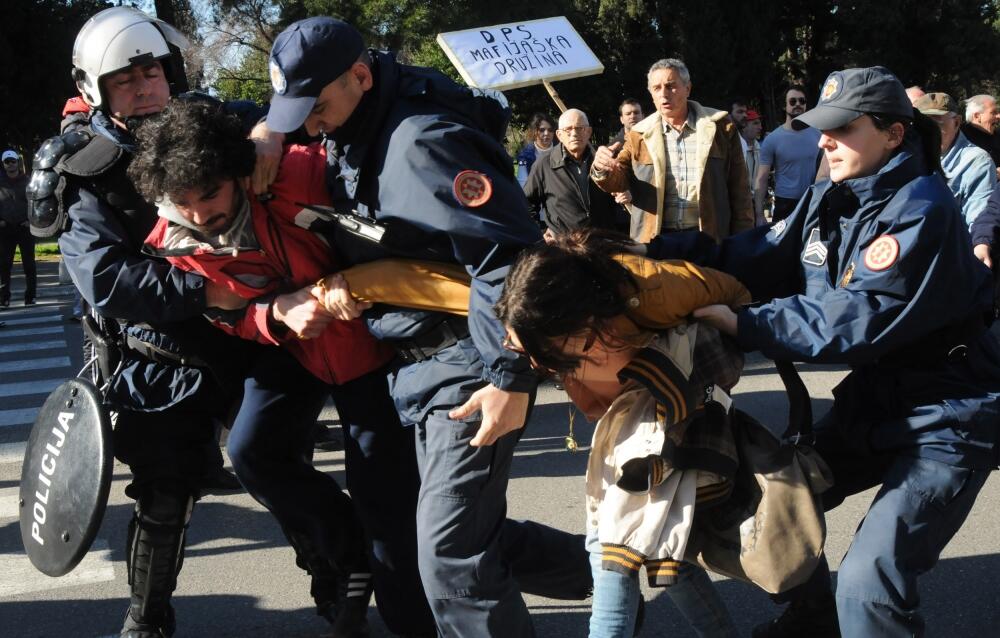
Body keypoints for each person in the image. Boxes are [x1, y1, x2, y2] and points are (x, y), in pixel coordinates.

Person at [642, 66, 1000, 638]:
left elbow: (856, 317)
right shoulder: (830, 198)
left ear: (894, 135)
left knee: (870, 582)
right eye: (821, 128)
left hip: (947, 418)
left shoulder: (922, 208)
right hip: (878, 401)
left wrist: (744, 322)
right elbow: (752, 254)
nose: (825, 140)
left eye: (843, 128)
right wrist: (648, 256)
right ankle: (813, 620)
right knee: (775, 507)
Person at [261, 16, 591, 636]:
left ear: (360, 76)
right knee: (455, 537)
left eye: (316, 107)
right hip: (417, 370)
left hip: (469, 367)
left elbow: (511, 260)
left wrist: (509, 379)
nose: (308, 125)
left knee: (451, 560)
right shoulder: (359, 119)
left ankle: (612, 581)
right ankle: (610, 578)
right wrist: (266, 136)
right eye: (296, 111)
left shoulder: (419, 142)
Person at [26, 8, 289, 637]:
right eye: (126, 79)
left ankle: (341, 588)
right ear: (97, 88)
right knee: (165, 492)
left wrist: (270, 130)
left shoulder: (216, 122)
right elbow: (106, 279)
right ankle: (147, 616)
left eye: (152, 72)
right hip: (158, 353)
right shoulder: (86, 168)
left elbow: (287, 107)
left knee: (283, 468)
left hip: (259, 338)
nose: (144, 87)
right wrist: (206, 293)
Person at [132, 99, 436, 636]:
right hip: (291, 351)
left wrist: (351, 279)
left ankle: (422, 609)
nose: (201, 214)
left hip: (371, 340)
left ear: (235, 171)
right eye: (183, 200)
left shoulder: (289, 172)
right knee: (251, 451)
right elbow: (223, 314)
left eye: (211, 193)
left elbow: (381, 209)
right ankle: (349, 553)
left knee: (388, 507)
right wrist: (270, 316)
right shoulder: (173, 243)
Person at [497, 229, 751, 638]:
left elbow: (737, 293)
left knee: (613, 540)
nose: (537, 364)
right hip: (626, 409)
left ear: (582, 320)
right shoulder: (544, 326)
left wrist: (720, 326)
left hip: (676, 395)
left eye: (541, 350)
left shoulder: (655, 290)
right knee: (663, 541)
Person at [591, 58, 754, 242]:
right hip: (656, 241)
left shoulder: (720, 127)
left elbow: (740, 192)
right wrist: (602, 168)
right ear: (650, 93)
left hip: (709, 239)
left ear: (688, 88)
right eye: (657, 88)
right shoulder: (639, 134)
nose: (663, 94)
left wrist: (743, 241)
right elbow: (618, 183)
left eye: (670, 86)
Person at [524, 108, 625, 235]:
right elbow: (525, 204)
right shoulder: (544, 165)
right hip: (565, 248)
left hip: (605, 243)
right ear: (559, 135)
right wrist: (540, 232)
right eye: (568, 129)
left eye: (579, 128)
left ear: (588, 132)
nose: (574, 133)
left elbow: (621, 194)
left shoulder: (603, 159)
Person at [914, 92, 996, 228]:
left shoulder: (977, 162)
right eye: (919, 126)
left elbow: (978, 225)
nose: (926, 133)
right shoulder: (908, 155)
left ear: (956, 122)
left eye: (934, 124)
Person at [754, 86, 822, 222]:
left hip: (812, 200)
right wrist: (759, 214)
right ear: (784, 106)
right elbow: (761, 178)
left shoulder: (818, 135)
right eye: (792, 101)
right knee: (783, 244)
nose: (798, 104)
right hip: (784, 204)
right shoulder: (773, 139)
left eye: (802, 101)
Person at [0, 149, 34, 306]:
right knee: (5, 265)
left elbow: (35, 203)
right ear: (3, 164)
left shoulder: (27, 180)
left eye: (12, 161)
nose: (10, 165)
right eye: (7, 162)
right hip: (5, 228)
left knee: (29, 264)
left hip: (24, 227)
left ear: (17, 163)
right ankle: (4, 297)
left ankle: (30, 297)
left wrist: (31, 220)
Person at [516, 111, 557, 186]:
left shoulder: (562, 152)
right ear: (535, 132)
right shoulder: (525, 156)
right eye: (542, 130)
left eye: (550, 130)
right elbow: (522, 184)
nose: (546, 133)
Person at [961, 94, 1000, 172]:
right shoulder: (961, 139)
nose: (998, 116)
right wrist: (994, 173)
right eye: (993, 113)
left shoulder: (996, 135)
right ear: (977, 116)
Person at [741, 110, 763, 223]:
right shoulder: (735, 148)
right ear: (744, 126)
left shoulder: (759, 147)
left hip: (756, 203)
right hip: (740, 204)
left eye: (759, 123)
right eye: (755, 123)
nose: (760, 127)